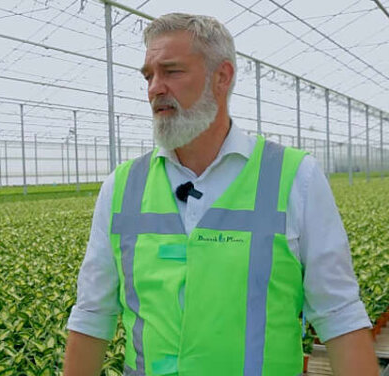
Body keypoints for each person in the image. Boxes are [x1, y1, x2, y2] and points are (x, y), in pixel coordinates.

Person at [63, 13, 378, 376]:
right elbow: (92, 315)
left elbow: (339, 315)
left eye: (172, 71)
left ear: (222, 77)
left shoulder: (295, 178)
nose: (154, 88)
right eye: (149, 75)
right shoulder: (121, 187)